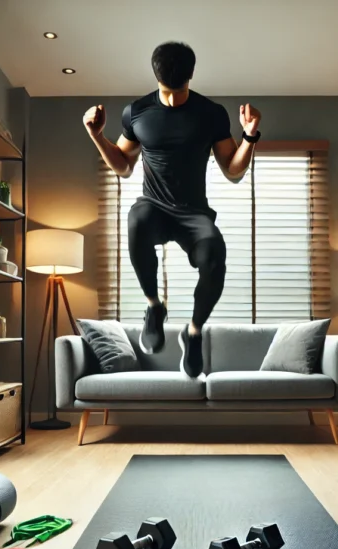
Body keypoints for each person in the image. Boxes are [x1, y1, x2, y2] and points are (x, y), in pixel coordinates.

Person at [82, 41, 261, 378]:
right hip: (155, 205)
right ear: (156, 77)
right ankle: (154, 307)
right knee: (136, 220)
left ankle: (192, 333)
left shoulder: (211, 114)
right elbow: (123, 167)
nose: (174, 99)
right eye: (168, 92)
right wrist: (95, 134)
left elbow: (233, 171)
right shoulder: (136, 112)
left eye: (180, 92)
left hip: (194, 213)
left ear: (191, 77)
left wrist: (250, 137)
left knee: (215, 258)